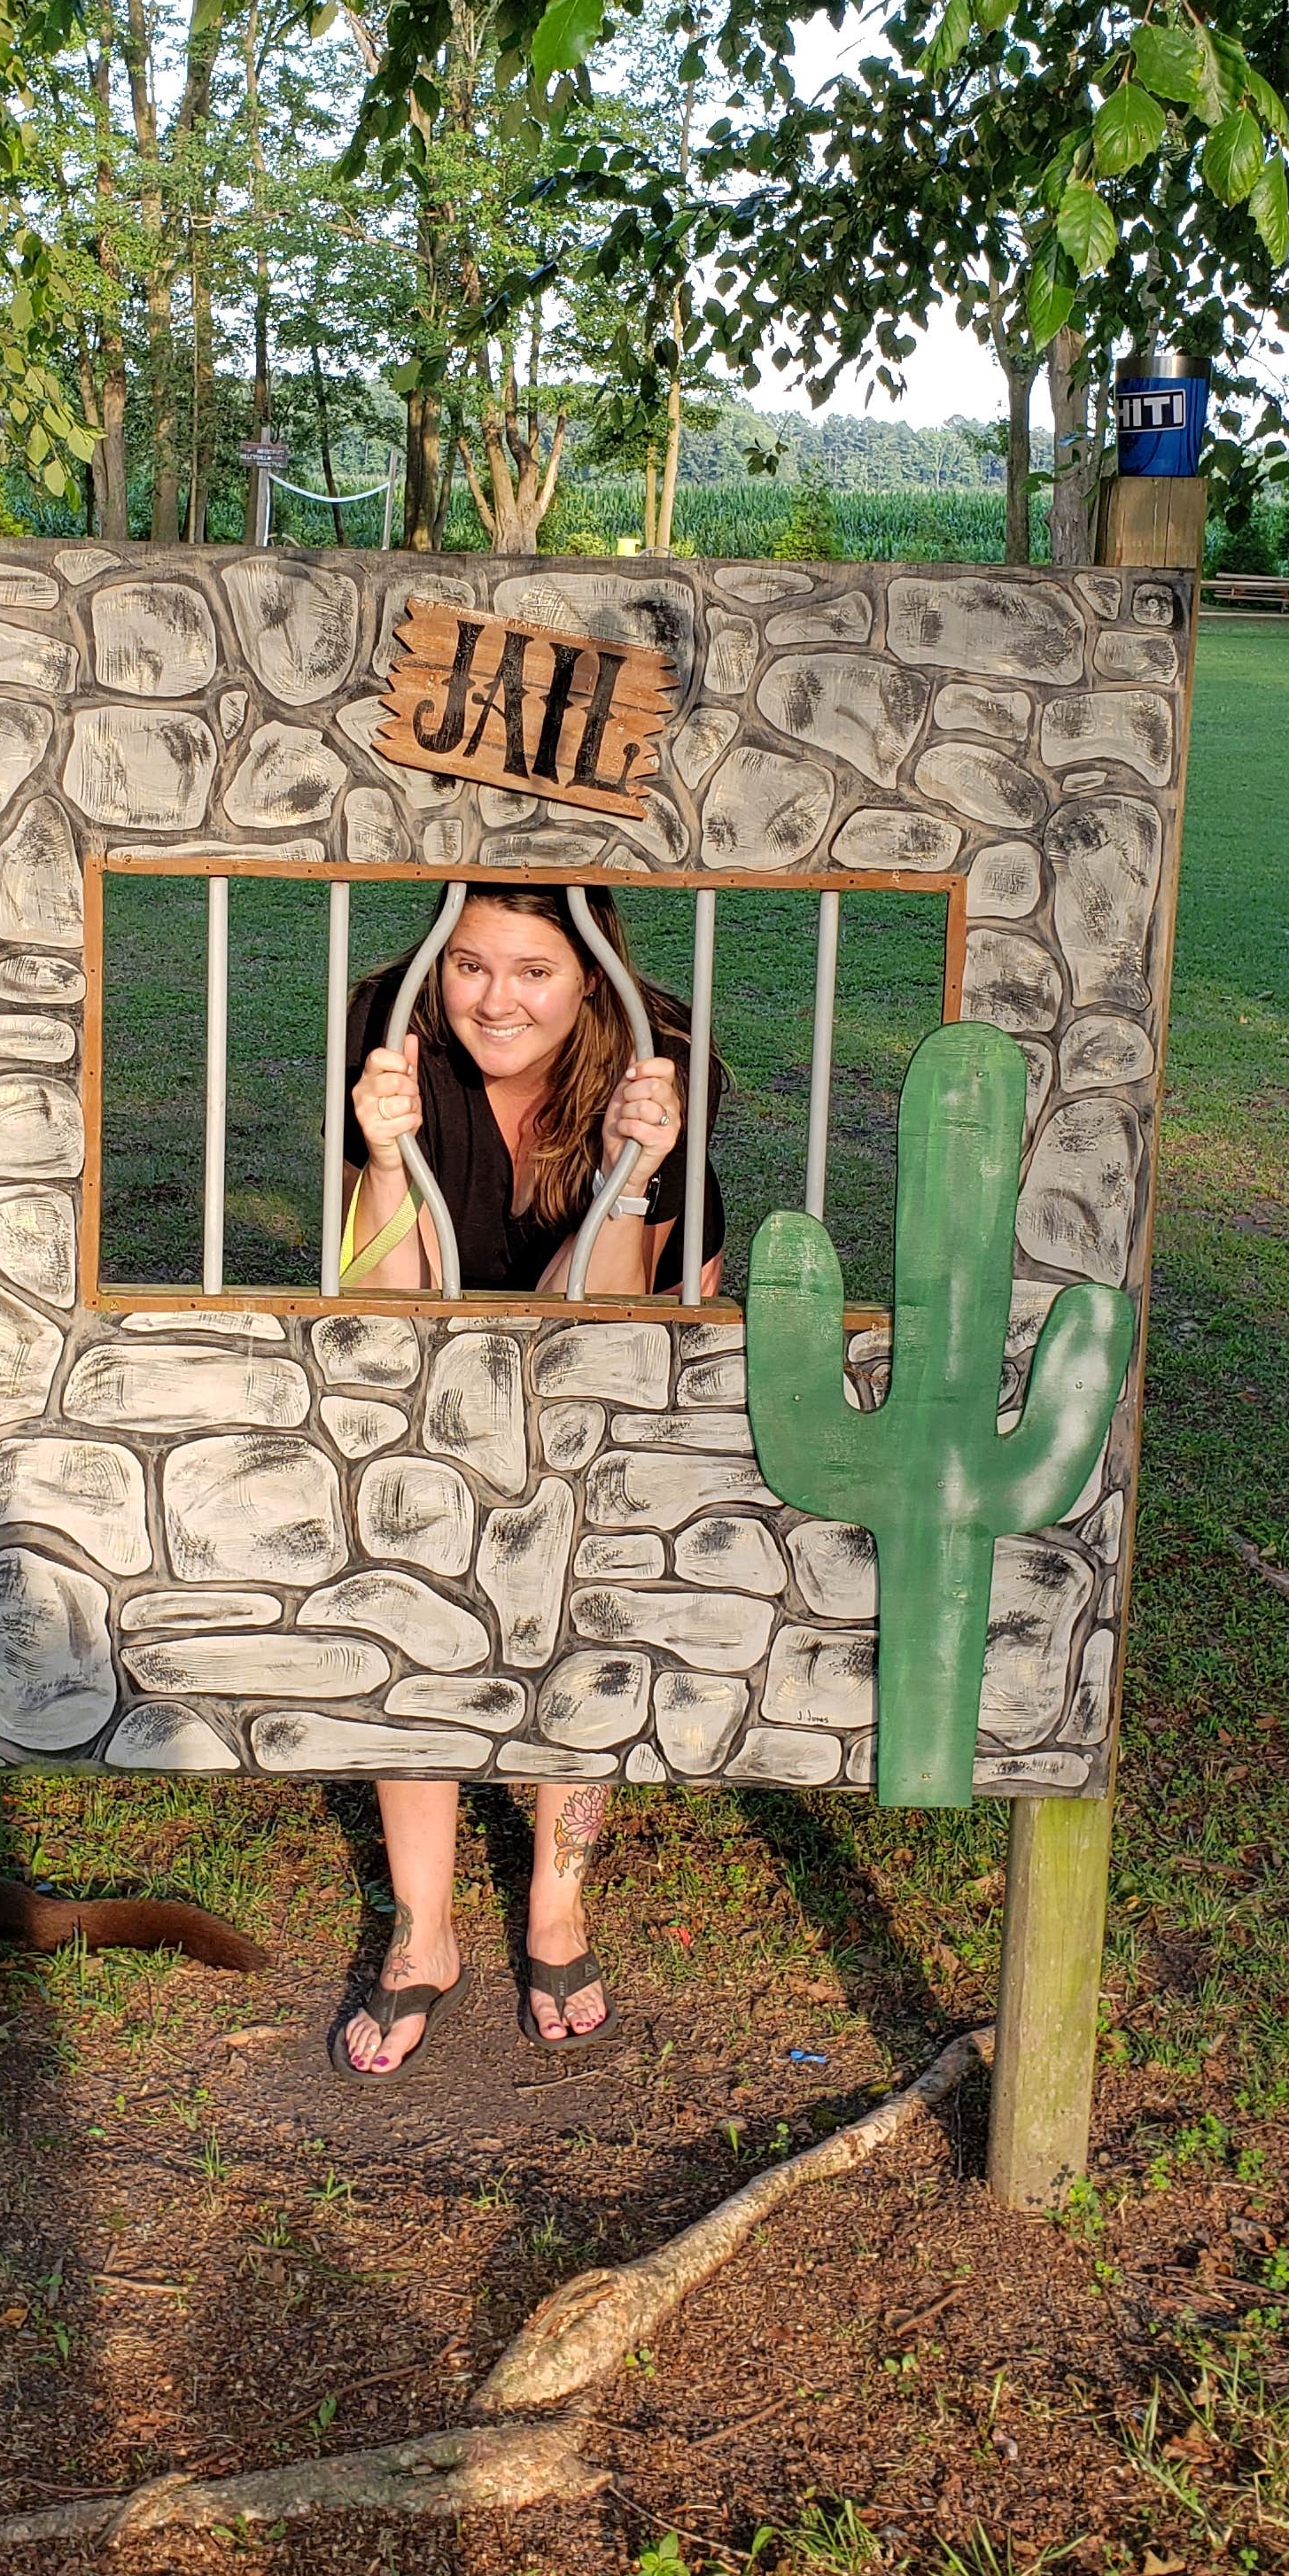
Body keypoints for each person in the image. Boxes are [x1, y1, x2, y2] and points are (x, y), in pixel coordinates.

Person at [334, 883, 724, 2074]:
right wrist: (386, 1158)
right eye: (468, 964)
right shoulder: (386, 1027)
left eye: (534, 971)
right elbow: (378, 1308)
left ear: (591, 979)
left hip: (611, 1312)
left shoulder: (662, 1058)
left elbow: (603, 1326)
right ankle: (425, 1932)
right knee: (412, 1551)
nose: (495, 999)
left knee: (582, 1575)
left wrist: (630, 1166)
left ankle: (556, 1907)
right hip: (439, 1327)